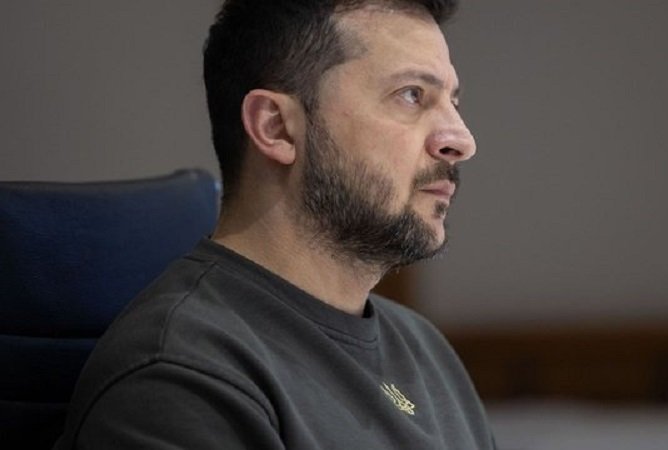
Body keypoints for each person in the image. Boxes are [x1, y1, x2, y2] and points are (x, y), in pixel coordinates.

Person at [55, 0, 495, 448]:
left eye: (453, 102)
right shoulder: (180, 377)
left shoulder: (425, 349)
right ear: (277, 127)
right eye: (412, 95)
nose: (462, 140)